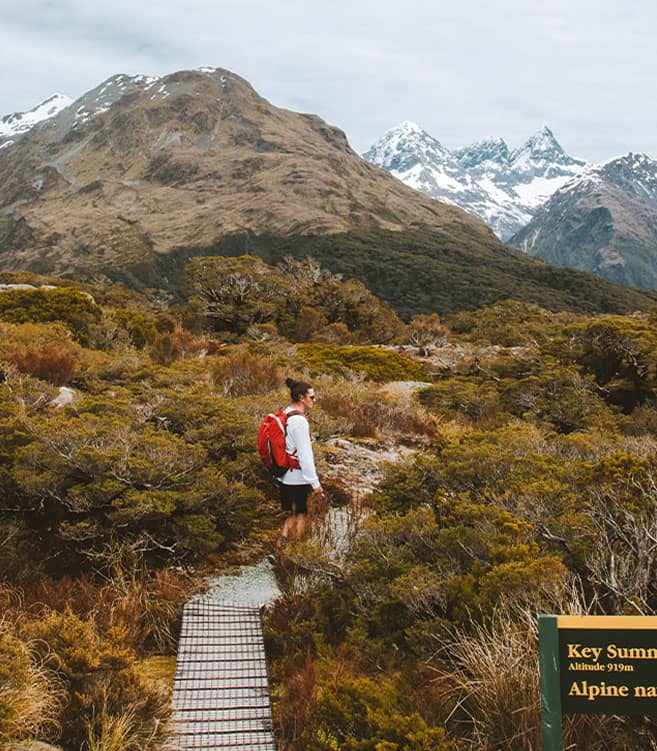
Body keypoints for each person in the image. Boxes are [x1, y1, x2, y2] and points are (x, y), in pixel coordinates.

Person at [273, 377, 322, 556]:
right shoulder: (299, 422)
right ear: (302, 398)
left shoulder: (286, 413)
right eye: (312, 397)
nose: (314, 400)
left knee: (293, 513)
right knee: (301, 514)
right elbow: (305, 457)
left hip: (284, 475)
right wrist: (315, 484)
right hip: (298, 478)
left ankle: (281, 545)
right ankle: (295, 551)